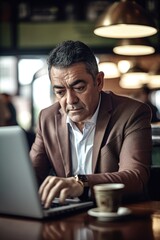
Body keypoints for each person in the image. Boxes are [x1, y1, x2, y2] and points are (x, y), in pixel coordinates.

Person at [30, 40, 152, 208]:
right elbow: (30, 177)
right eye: (60, 92)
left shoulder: (132, 113)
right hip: (66, 217)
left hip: (117, 216)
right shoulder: (47, 118)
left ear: (99, 82)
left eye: (79, 88)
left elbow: (136, 178)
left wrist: (81, 183)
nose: (70, 100)